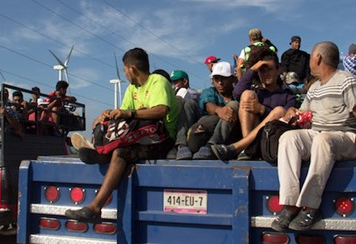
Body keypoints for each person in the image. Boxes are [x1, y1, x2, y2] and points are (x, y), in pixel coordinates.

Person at [270, 41, 356, 232]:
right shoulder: (314, 88)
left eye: (312, 56)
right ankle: (290, 204)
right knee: (289, 138)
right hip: (319, 135)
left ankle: (310, 206)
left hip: (347, 137)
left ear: (318, 58)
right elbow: (303, 113)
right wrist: (292, 112)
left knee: (323, 140)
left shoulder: (347, 80)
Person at [65, 47, 179, 223]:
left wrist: (130, 114)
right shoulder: (132, 89)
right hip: (138, 138)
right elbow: (124, 113)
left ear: (132, 68)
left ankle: (95, 205)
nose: (124, 74)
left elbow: (161, 110)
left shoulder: (158, 82)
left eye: (125, 70)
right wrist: (109, 115)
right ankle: (101, 151)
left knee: (120, 152)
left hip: (161, 140)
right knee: (112, 127)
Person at [211, 46, 295, 160]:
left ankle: (243, 146)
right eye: (262, 70)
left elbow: (287, 120)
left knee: (280, 110)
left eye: (269, 69)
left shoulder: (288, 95)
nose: (266, 74)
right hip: (254, 139)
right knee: (246, 94)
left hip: (271, 140)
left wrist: (262, 110)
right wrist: (252, 70)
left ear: (278, 69)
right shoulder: (256, 91)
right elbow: (236, 93)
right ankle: (248, 149)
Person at [176, 62, 240, 160]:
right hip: (203, 130)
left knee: (233, 106)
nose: (220, 82)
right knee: (189, 104)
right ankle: (181, 144)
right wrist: (219, 110)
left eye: (224, 78)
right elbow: (208, 104)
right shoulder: (210, 92)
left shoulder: (237, 95)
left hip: (227, 136)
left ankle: (211, 145)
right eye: (216, 79)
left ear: (232, 79)